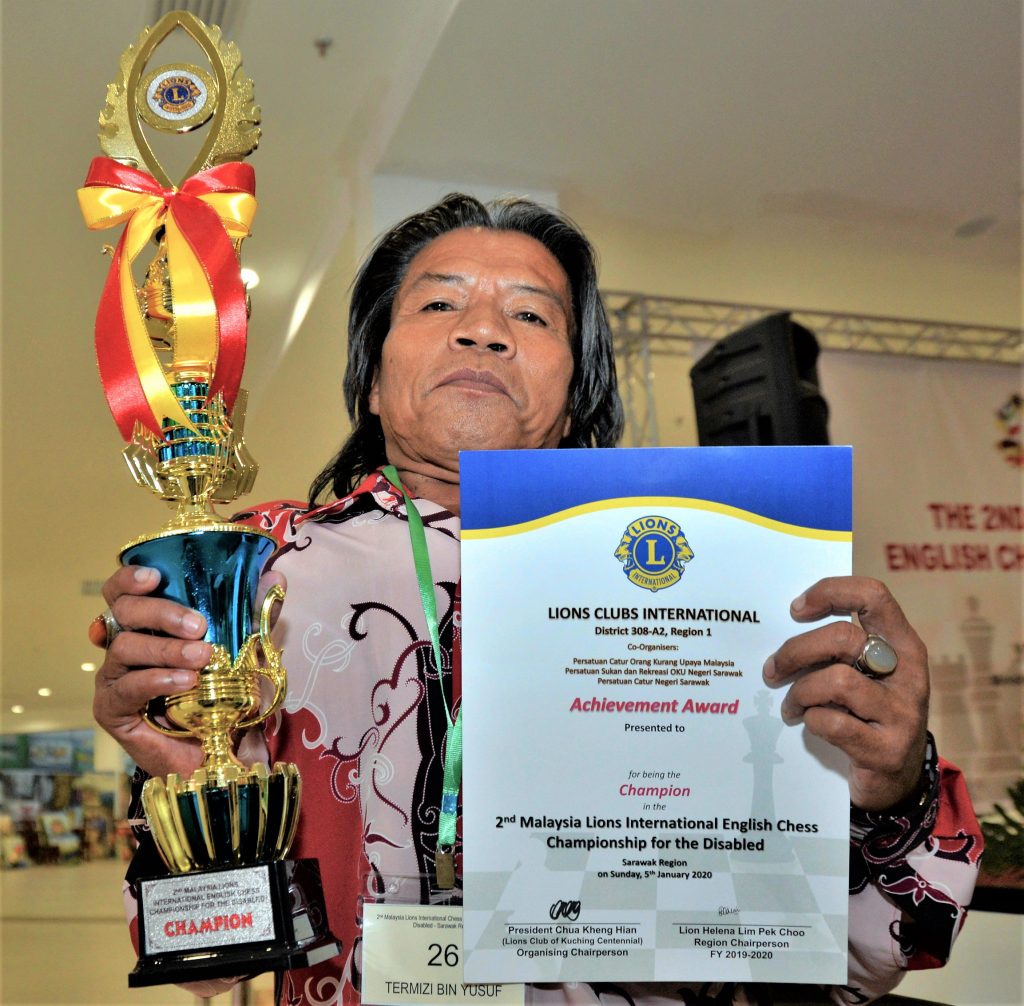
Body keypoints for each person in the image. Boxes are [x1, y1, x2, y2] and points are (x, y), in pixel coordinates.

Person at [92, 194, 981, 1006]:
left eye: (529, 314)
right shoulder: (256, 576)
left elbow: (860, 962)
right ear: (372, 380)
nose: (482, 331)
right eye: (438, 304)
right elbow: (214, 965)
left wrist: (891, 787)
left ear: (574, 396)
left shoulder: (719, 578)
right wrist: (178, 770)